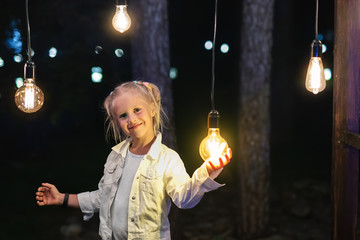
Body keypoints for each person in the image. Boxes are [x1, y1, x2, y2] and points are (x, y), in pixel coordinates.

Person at [35, 80, 232, 240]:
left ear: (153, 109)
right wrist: (61, 198)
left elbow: (184, 199)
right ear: (116, 122)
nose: (131, 119)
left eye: (137, 109)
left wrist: (207, 172)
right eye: (123, 115)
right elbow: (103, 197)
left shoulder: (167, 159)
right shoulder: (116, 156)